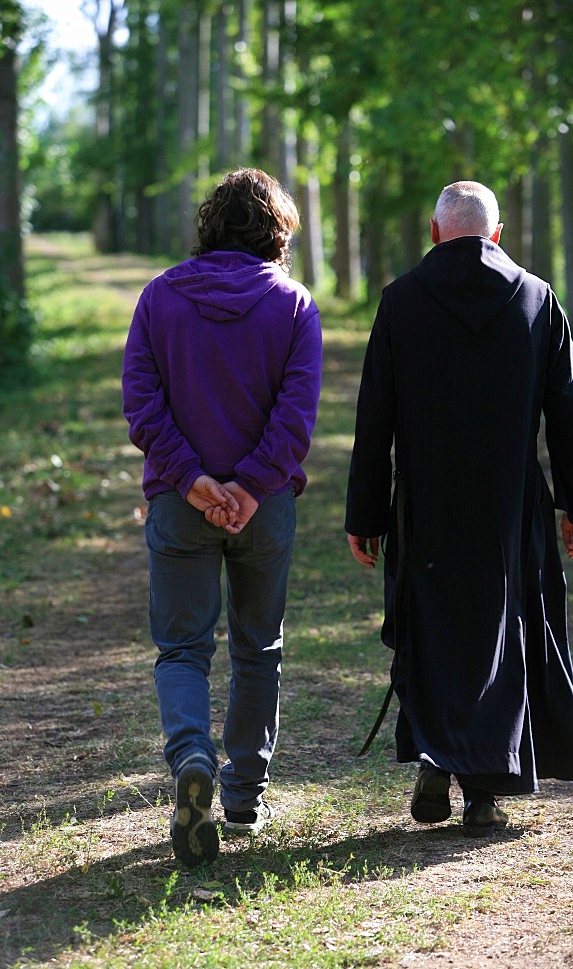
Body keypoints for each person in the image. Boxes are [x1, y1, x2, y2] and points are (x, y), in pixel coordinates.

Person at [345, 180, 573, 834]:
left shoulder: (401, 303)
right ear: (497, 234)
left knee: (431, 627)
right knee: (504, 631)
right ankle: (485, 791)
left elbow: (375, 418)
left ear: (435, 233)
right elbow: (569, 414)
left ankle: (436, 759)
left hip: (424, 505)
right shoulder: (538, 300)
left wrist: (366, 515)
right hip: (511, 507)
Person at [122, 168, 322, 866]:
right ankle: (242, 795)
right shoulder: (294, 306)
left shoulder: (159, 297)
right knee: (257, 647)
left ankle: (190, 763)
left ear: (209, 225)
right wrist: (246, 487)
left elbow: (142, 406)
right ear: (277, 234)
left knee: (182, 649)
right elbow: (295, 420)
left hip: (181, 503)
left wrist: (197, 481)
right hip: (262, 510)